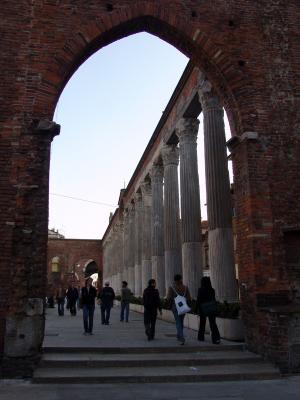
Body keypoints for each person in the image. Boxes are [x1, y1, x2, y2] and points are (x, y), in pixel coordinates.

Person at [166, 274, 192, 345]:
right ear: (181, 279)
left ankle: (181, 337)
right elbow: (189, 298)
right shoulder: (185, 287)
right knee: (181, 321)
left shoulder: (171, 287)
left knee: (178, 322)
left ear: (174, 280)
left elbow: (168, 298)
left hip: (175, 307)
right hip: (183, 307)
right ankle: (179, 335)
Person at [196, 276, 221, 344]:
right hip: (211, 307)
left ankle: (201, 337)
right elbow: (213, 299)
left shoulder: (200, 290)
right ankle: (216, 339)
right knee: (213, 323)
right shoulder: (212, 290)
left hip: (202, 308)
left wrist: (196, 308)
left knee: (202, 323)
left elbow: (199, 300)